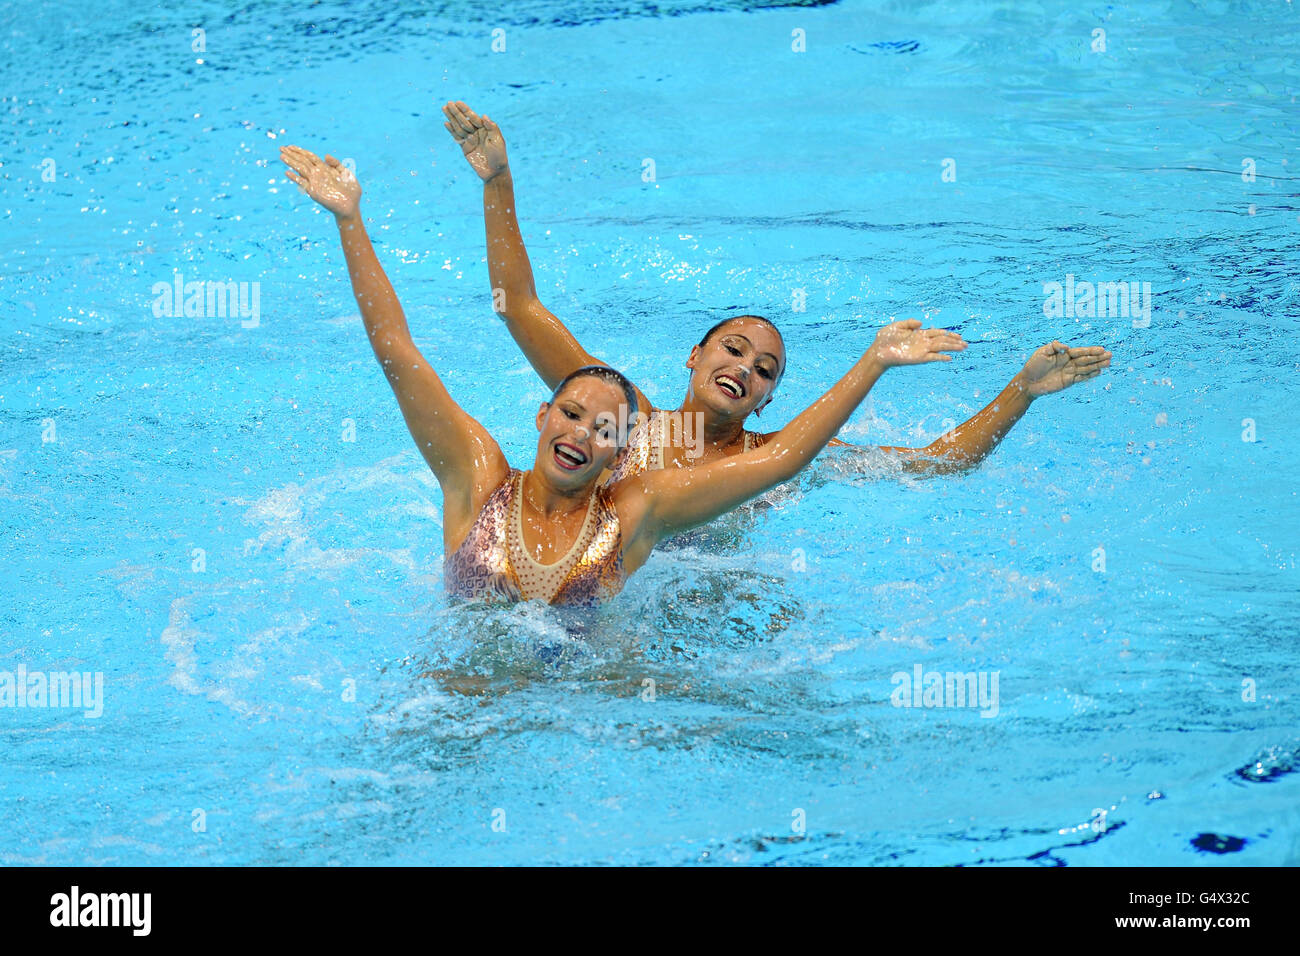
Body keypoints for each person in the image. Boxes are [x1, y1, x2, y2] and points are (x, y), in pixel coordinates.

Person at [279, 145, 967, 606]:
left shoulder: (641, 506)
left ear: (618, 453)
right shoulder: (483, 476)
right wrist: (356, 218)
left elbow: (796, 459)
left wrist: (882, 362)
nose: (583, 430)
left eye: (764, 371)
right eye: (571, 413)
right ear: (542, 417)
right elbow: (412, 349)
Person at [441, 100, 1112, 482]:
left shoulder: (781, 457)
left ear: (766, 402)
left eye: (764, 371)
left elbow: (940, 463)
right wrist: (498, 180)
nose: (744, 369)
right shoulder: (623, 420)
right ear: (693, 358)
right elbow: (519, 309)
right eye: (732, 351)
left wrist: (1021, 390)